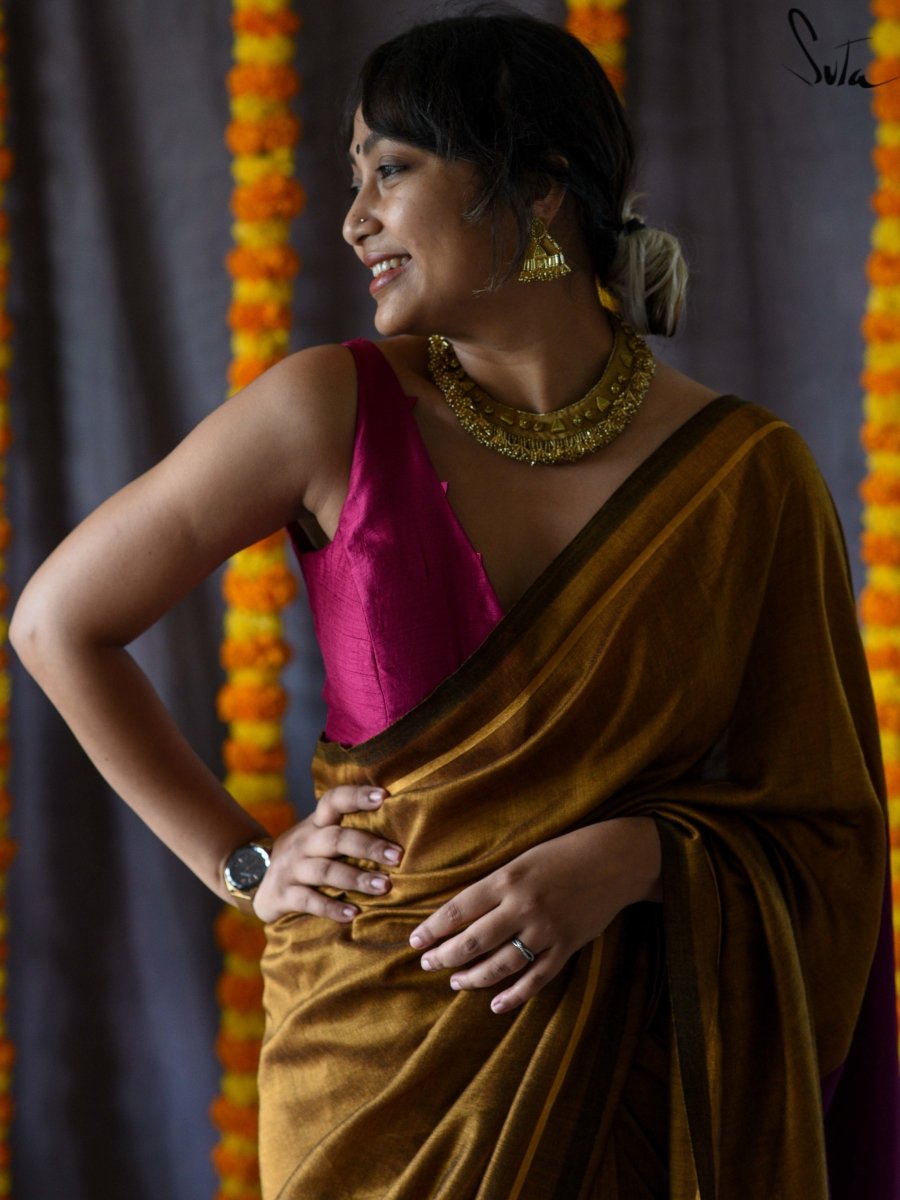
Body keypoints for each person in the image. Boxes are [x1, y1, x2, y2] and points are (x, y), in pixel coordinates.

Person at [10, 7, 899, 1198]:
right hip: (367, 1070)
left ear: (538, 188)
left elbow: (825, 833)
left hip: (626, 1073)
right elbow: (56, 623)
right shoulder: (327, 409)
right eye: (353, 178)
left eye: (390, 170)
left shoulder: (747, 477)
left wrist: (635, 858)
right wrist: (243, 866)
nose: (352, 219)